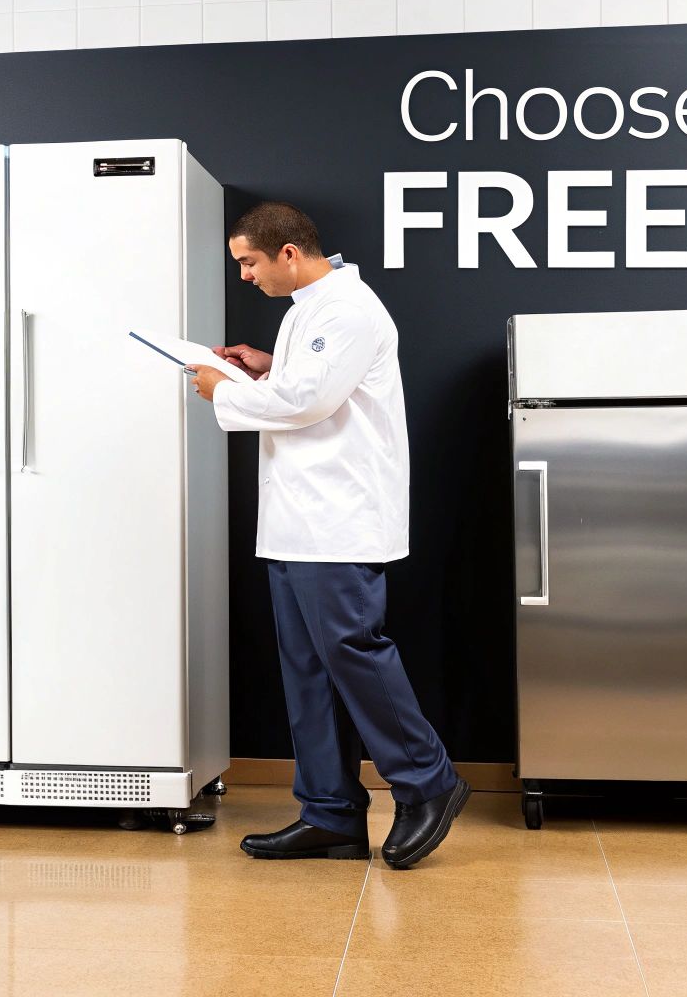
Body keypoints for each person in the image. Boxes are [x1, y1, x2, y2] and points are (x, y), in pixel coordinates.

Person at [187, 200, 469, 870]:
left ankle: (429, 782)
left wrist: (219, 392)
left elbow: (305, 403)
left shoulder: (347, 309)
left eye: (249, 262)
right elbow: (306, 388)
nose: (246, 277)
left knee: (352, 651)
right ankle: (331, 814)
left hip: (337, 520)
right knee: (309, 670)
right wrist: (260, 367)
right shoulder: (308, 310)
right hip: (298, 522)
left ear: (288, 252)